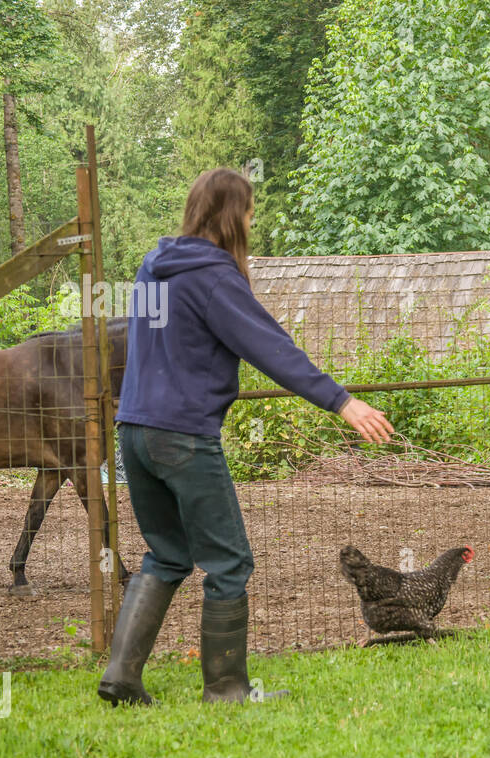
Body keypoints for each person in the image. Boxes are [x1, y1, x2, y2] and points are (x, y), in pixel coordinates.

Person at [99, 168, 394, 705]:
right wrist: (343, 401)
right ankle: (228, 689)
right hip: (184, 437)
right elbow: (271, 348)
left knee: (166, 556)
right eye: (251, 213)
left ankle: (122, 677)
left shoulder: (152, 267)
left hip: (134, 432)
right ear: (235, 216)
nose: (252, 224)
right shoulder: (213, 277)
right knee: (229, 562)